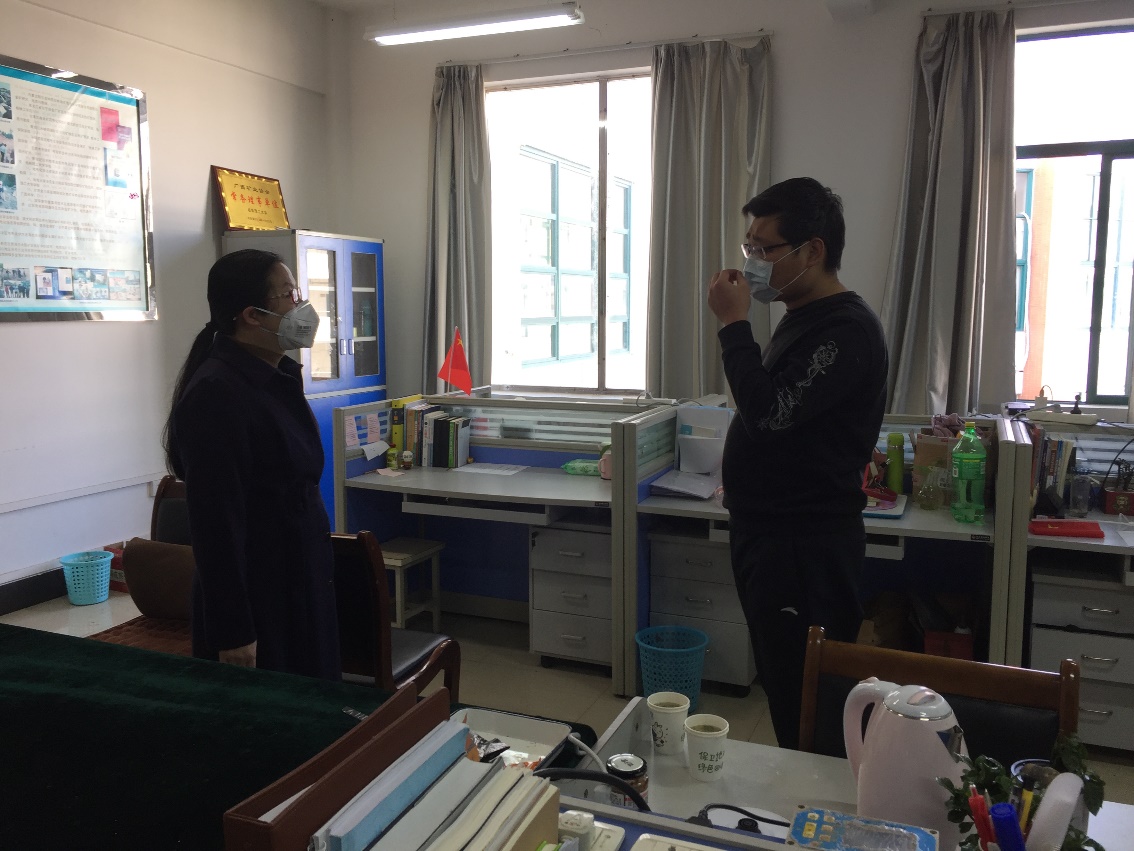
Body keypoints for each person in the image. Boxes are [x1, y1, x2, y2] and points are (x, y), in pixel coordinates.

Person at [706, 177, 888, 749]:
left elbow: (768, 413)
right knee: (787, 688)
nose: (752, 262)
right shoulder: (802, 316)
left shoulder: (845, 328)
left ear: (812, 251)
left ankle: (817, 799)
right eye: (749, 247)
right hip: (771, 537)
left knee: (807, 704)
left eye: (765, 249)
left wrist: (734, 325)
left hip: (802, 549)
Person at [163, 248, 340, 679]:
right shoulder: (217, 394)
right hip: (260, 596)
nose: (301, 305)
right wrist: (234, 631)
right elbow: (216, 525)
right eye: (288, 294)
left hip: (297, 578)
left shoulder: (275, 376)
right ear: (252, 316)